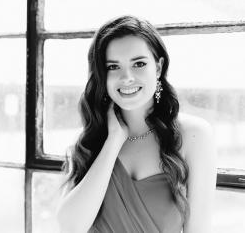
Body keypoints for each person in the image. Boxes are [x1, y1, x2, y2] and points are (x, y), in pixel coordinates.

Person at [56, 15, 217, 233]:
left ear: (158, 68)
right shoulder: (93, 138)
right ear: (102, 75)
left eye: (139, 63)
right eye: (113, 67)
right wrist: (113, 140)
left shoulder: (194, 135)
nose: (127, 77)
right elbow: (71, 226)